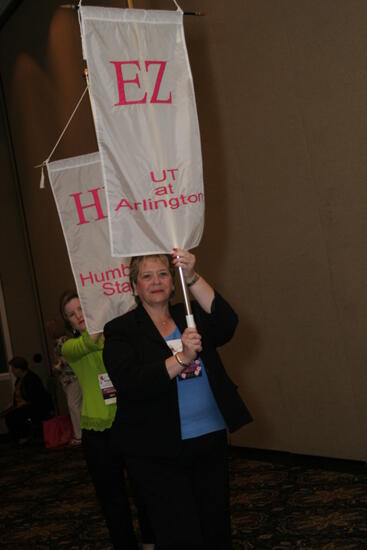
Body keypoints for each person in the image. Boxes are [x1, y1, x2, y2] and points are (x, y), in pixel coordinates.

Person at [103, 248, 253, 549]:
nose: (156, 281)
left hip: (209, 436)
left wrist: (193, 275)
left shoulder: (190, 316)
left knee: (215, 526)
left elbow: (227, 322)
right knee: (178, 531)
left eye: (163, 274)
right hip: (156, 448)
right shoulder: (120, 330)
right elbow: (132, 381)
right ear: (134, 287)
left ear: (173, 282)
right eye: (146, 276)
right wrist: (183, 357)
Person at [59, 291, 154, 550]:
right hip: (98, 433)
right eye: (72, 313)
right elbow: (88, 342)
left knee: (144, 490)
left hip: (130, 424)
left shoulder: (119, 339)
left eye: (81, 308)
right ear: (67, 321)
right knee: (112, 499)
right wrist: (100, 316)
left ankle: (150, 542)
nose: (79, 315)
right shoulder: (69, 346)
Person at [47, 318, 82, 445]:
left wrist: (56, 367)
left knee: (74, 406)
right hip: (68, 378)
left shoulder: (63, 341)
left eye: (50, 328)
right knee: (76, 406)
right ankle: (81, 433)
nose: (48, 331)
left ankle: (80, 435)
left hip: (72, 378)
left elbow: (67, 359)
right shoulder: (59, 341)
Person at [4, 356, 53, 444]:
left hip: (35, 406)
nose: (12, 371)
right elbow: (18, 396)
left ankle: (24, 436)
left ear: (19, 369)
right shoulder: (19, 380)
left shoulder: (32, 379)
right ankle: (17, 437)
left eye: (14, 368)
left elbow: (34, 398)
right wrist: (12, 404)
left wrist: (19, 405)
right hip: (23, 405)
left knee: (13, 415)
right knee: (9, 414)